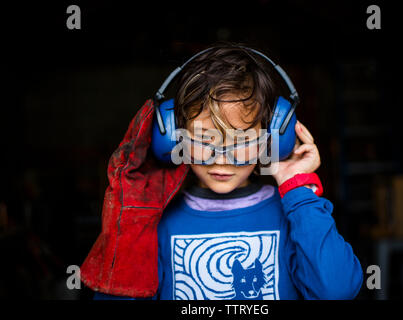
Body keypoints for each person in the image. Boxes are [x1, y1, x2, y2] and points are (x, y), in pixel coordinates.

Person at [84, 44, 363, 300]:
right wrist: (131, 226)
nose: (221, 159)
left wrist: (298, 189)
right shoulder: (155, 220)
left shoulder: (293, 215)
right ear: (173, 138)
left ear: (272, 140)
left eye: (241, 140)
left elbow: (336, 291)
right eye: (204, 140)